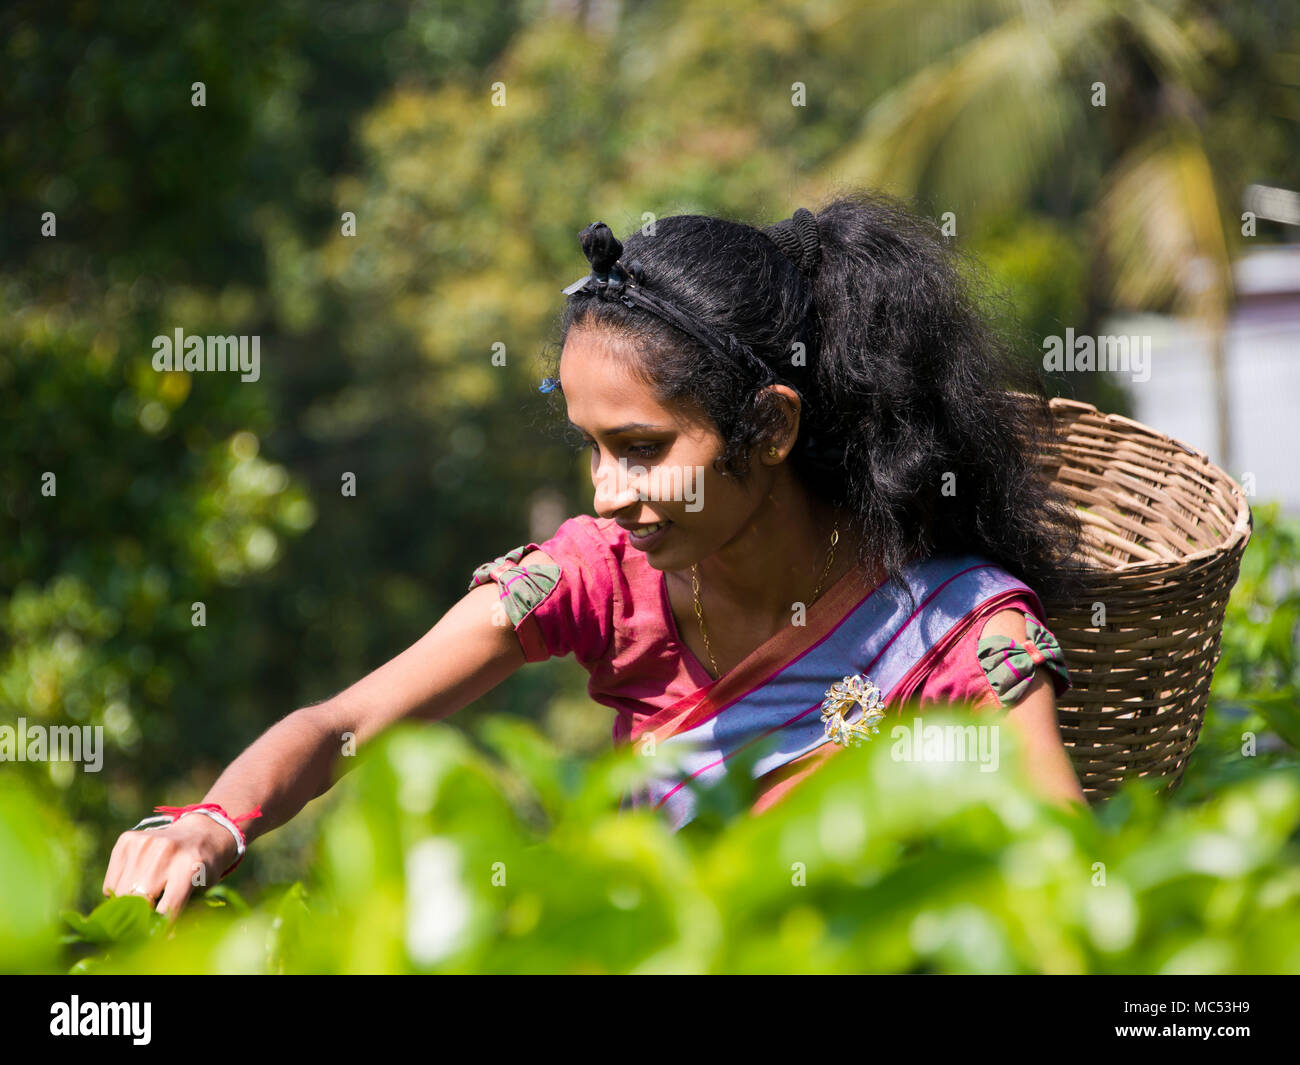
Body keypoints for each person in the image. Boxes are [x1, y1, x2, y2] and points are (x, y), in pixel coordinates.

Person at [104, 188, 1090, 918]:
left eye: (643, 450)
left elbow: (1071, 892)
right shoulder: (602, 574)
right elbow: (344, 721)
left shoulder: (959, 633)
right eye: (591, 448)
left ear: (772, 427)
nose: (607, 494)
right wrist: (211, 822)